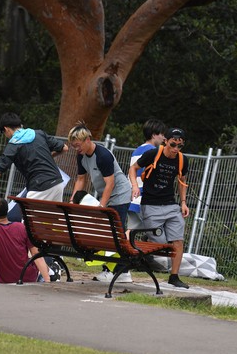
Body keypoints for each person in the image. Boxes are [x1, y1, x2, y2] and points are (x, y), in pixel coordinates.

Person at [67, 122, 133, 283]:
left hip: (120, 195)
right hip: (107, 195)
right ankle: (112, 269)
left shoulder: (103, 156)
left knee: (116, 232)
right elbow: (81, 179)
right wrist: (72, 199)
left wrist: (101, 207)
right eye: (74, 146)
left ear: (88, 139)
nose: (77, 149)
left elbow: (110, 183)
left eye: (78, 145)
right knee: (106, 233)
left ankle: (121, 271)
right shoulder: (81, 156)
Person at [128, 127, 190, 288]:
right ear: (165, 141)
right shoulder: (153, 154)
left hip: (171, 204)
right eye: (173, 144)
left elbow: (182, 181)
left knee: (177, 240)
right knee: (161, 243)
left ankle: (174, 276)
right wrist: (135, 186)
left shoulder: (182, 159)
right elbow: (133, 168)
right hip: (150, 205)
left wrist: (183, 202)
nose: (176, 149)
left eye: (180, 146)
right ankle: (147, 239)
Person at [0, 112, 68, 205]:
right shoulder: (39, 133)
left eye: (4, 134)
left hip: (40, 186)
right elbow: (64, 148)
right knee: (52, 221)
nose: (6, 136)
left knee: (28, 222)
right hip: (57, 181)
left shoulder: (14, 145)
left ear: (6, 129)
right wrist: (48, 156)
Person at [0, 197, 51, 283]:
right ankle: (51, 273)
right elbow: (35, 254)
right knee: (42, 265)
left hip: (6, 280)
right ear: (7, 211)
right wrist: (47, 280)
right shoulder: (22, 227)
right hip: (28, 278)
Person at [128, 119, 166, 230]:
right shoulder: (155, 152)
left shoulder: (137, 150)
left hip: (133, 198)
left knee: (131, 231)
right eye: (162, 134)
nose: (164, 138)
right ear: (154, 135)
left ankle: (116, 247)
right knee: (159, 232)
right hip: (146, 200)